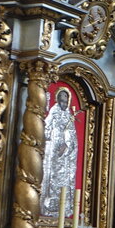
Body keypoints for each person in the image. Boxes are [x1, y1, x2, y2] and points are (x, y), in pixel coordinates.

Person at [40, 88, 78, 216]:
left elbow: (72, 134)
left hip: (65, 156)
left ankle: (64, 207)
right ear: (57, 100)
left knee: (64, 180)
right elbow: (46, 128)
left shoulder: (69, 115)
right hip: (53, 153)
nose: (64, 103)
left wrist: (67, 144)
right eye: (61, 100)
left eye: (66, 101)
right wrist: (50, 139)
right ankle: (49, 206)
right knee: (52, 179)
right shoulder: (53, 113)